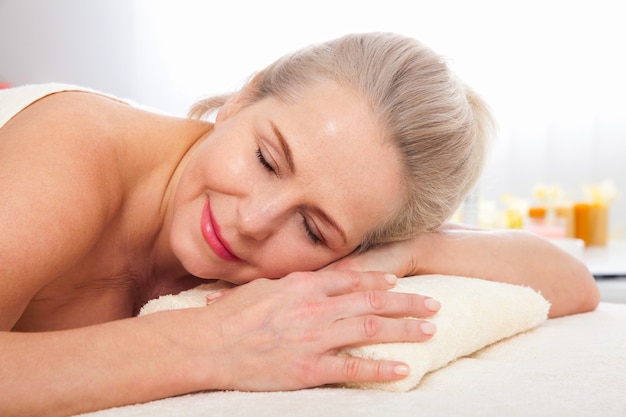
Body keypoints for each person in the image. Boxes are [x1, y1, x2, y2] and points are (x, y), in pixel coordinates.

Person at [0, 32, 598, 416]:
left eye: (313, 228)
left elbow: (572, 283)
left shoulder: (325, 250)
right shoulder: (75, 153)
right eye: (266, 158)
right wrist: (211, 346)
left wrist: (407, 252)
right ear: (243, 98)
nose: (254, 221)